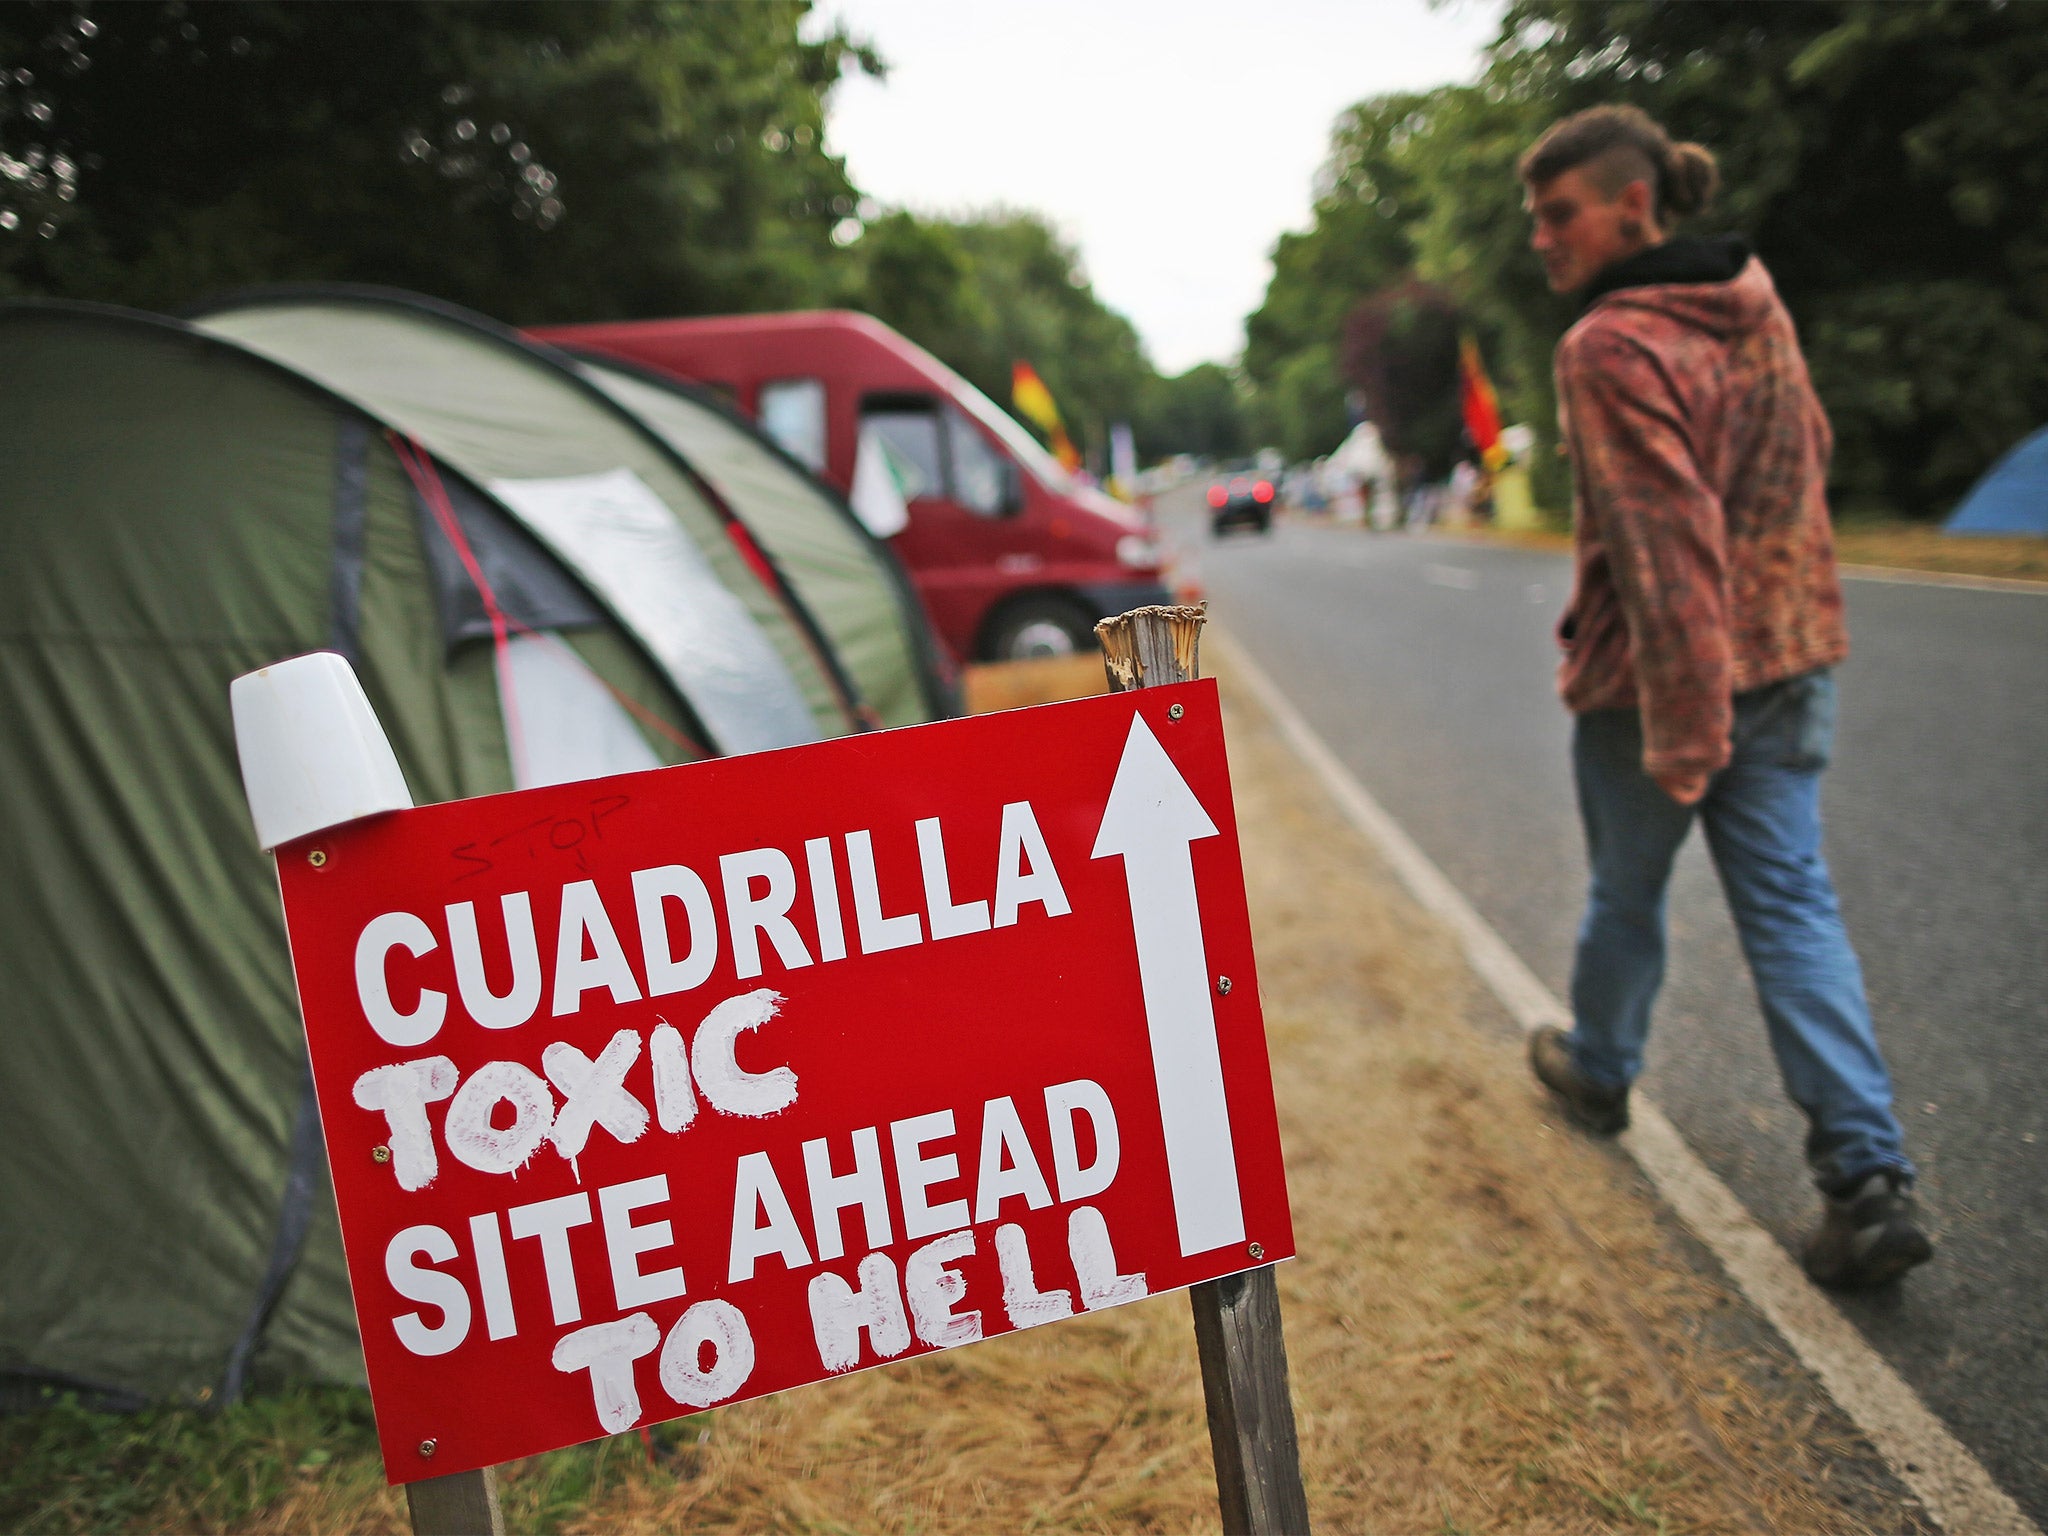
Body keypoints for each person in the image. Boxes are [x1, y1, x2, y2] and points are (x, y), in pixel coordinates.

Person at [1517, 105, 1932, 1290]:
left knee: (1627, 890)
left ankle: (1598, 1068)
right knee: (1791, 907)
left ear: (1630, 207)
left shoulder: (1608, 346)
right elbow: (1810, 447)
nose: (1542, 241)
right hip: (1789, 655)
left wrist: (1688, 734)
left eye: (1559, 216)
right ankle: (1865, 1180)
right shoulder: (1750, 295)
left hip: (1660, 690)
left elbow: (1662, 554)